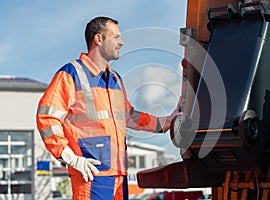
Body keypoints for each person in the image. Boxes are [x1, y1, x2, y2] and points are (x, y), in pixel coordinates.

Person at [36, 16, 180, 200]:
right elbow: (47, 119)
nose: (121, 42)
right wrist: (70, 157)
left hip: (120, 176)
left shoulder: (115, 80)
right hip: (91, 175)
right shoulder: (71, 74)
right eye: (116, 37)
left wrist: (168, 122)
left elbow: (129, 117)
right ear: (99, 39)